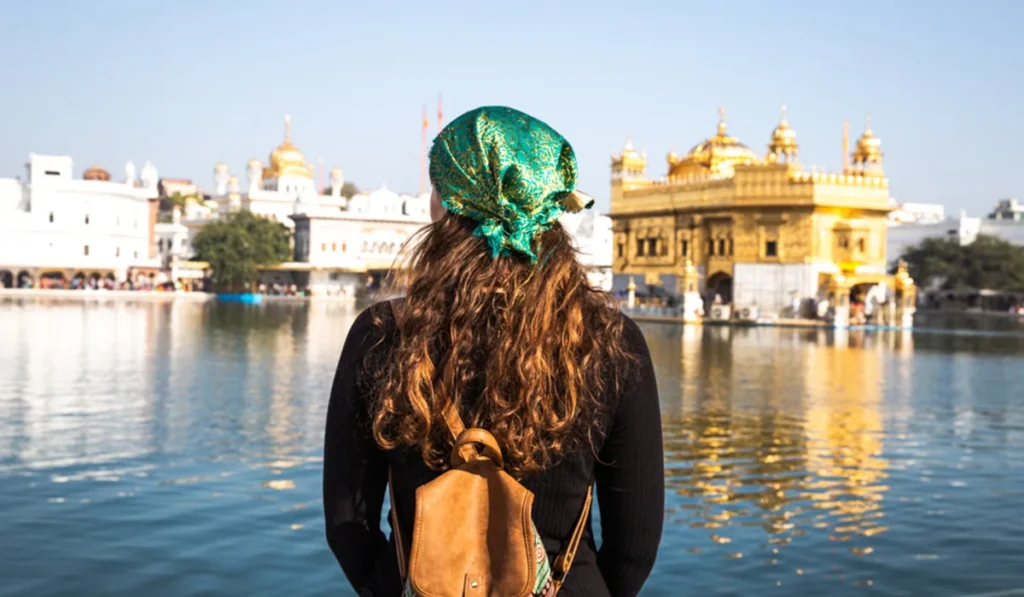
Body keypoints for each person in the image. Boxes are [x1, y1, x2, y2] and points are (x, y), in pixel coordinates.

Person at [323, 106, 664, 597]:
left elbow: (348, 525)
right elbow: (634, 548)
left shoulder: (382, 333)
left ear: (446, 207)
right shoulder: (610, 341)